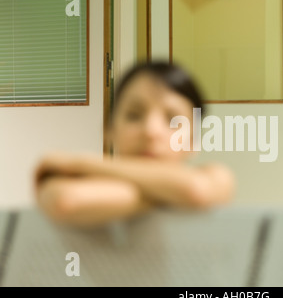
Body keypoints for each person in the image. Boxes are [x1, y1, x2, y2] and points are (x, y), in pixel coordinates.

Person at [34, 62, 236, 227]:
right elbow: (66, 201)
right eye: (133, 115)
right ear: (109, 129)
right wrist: (168, 192)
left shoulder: (213, 174)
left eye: (172, 119)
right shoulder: (70, 184)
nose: (150, 131)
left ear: (193, 141)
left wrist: (80, 162)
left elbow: (196, 190)